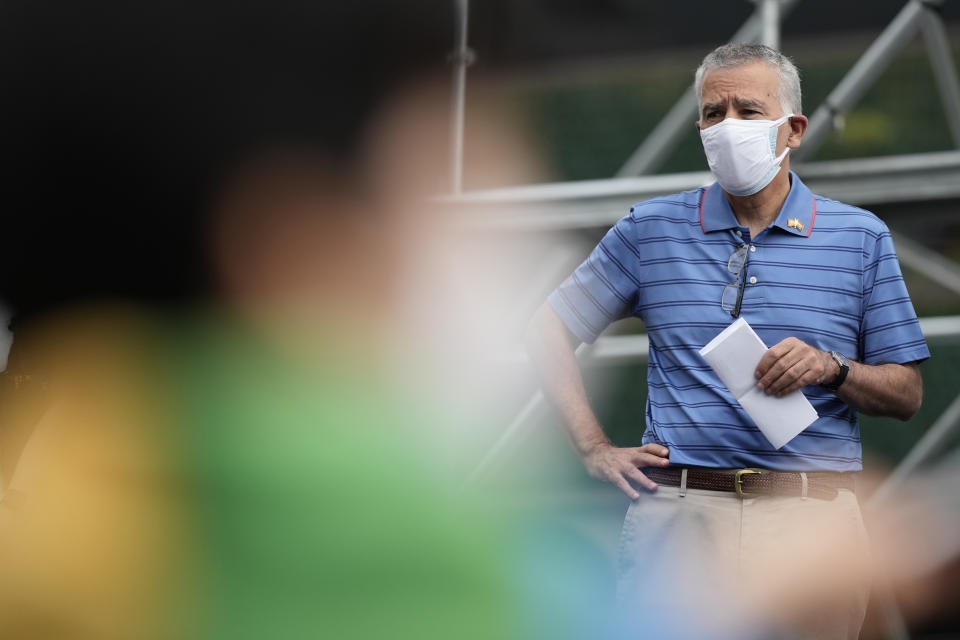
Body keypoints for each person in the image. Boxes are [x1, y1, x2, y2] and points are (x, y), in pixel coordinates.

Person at [525, 43, 929, 639]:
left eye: (747, 110)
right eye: (714, 114)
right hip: (681, 515)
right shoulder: (649, 229)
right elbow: (547, 326)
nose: (727, 126)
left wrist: (832, 368)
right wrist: (591, 447)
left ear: (793, 129)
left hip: (811, 519)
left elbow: (908, 393)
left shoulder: (860, 238)